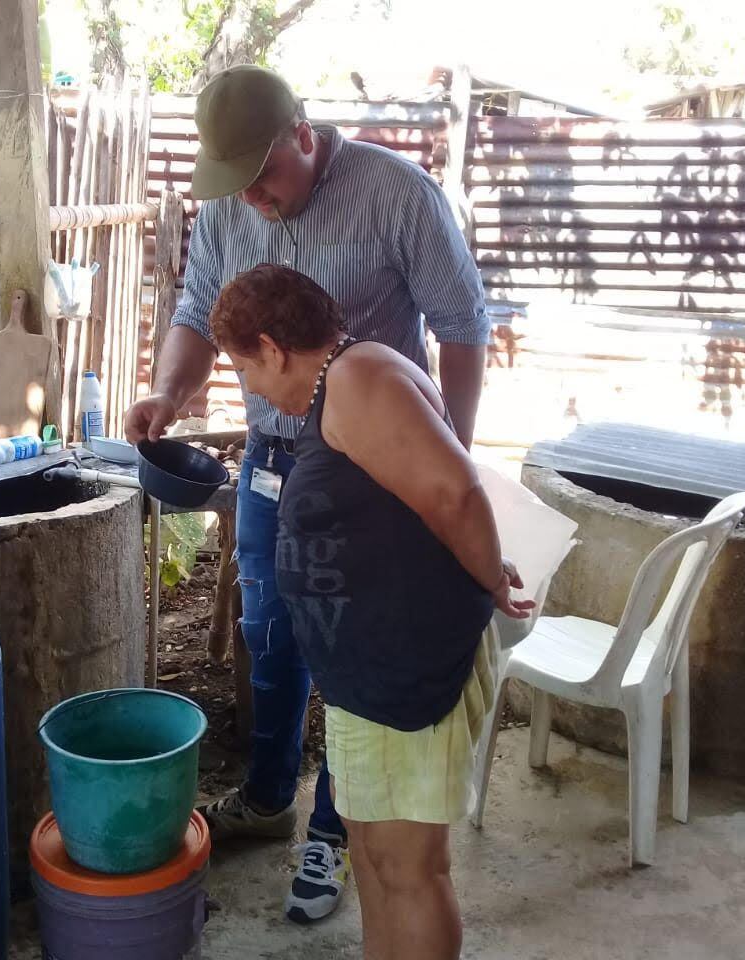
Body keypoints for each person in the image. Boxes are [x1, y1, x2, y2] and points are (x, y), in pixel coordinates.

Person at [124, 64, 492, 923]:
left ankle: (337, 826)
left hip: (372, 465)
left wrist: (447, 456)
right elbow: (196, 306)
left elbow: (462, 323)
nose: (251, 197)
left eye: (264, 174)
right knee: (275, 630)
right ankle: (268, 795)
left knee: (355, 651)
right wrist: (170, 394)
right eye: (234, 182)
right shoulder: (227, 204)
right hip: (271, 459)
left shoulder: (397, 194)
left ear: (301, 130)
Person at [208, 264, 533, 960]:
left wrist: (493, 579)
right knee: (375, 855)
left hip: (407, 670)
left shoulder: (360, 382)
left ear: (272, 346)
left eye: (245, 368)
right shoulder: (352, 377)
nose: (253, 388)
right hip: (370, 674)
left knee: (410, 870)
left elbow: (456, 494)